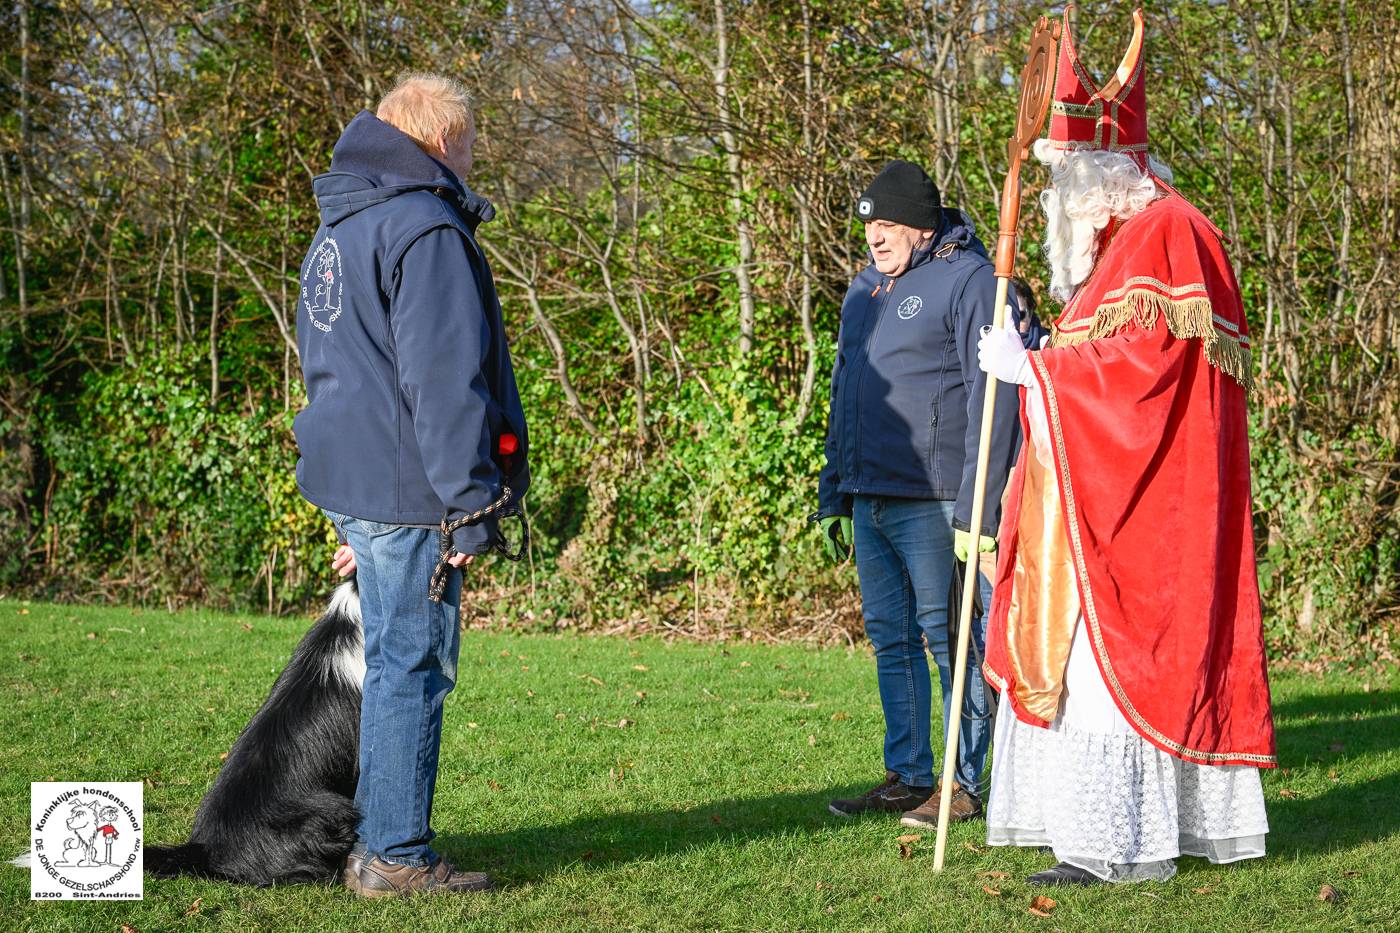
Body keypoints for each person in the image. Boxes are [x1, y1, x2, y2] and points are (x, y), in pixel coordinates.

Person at [974, 8, 1274, 886]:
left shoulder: (1167, 233)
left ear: (1104, 172)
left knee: (1115, 667)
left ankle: (1111, 839)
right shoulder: (1114, 249)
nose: (1056, 200)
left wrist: (1036, 374)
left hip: (1143, 508)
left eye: (1064, 177)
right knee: (1072, 666)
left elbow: (1144, 375)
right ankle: (1084, 825)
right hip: (1090, 497)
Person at [293, 72, 529, 897]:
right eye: (468, 145)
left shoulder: (338, 227)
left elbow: (332, 367)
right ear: (438, 141)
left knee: (394, 660)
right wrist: (471, 503)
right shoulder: (424, 227)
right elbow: (442, 382)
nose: (473, 161)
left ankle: (377, 839)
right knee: (411, 665)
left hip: (358, 482)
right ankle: (394, 854)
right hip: (409, 490)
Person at [816, 160, 1037, 827]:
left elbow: (993, 399)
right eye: (868, 227)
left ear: (920, 222)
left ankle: (962, 780)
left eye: (886, 225)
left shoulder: (970, 281)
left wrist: (978, 502)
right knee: (891, 637)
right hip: (870, 493)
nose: (875, 238)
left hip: (938, 498)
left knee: (955, 640)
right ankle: (908, 773)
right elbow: (843, 394)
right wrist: (834, 491)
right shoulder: (863, 291)